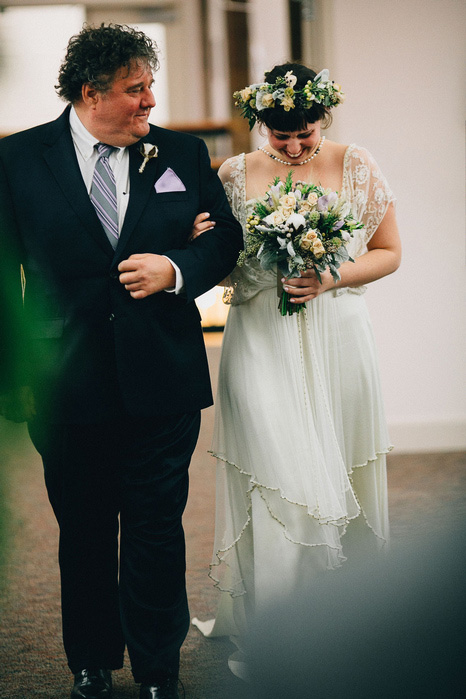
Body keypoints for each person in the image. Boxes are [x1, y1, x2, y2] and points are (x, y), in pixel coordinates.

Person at [0, 23, 242, 699]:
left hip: (162, 376)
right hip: (64, 380)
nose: (149, 101)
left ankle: (159, 668)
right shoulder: (18, 160)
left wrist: (174, 266)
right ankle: (91, 662)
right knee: (82, 528)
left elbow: (224, 237)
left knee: (157, 524)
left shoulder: (182, 155)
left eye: (150, 86)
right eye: (136, 90)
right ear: (90, 92)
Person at [191, 62, 401, 678]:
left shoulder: (356, 165)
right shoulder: (233, 174)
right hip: (259, 337)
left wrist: (330, 274)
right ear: (260, 123)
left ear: (324, 115)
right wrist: (206, 240)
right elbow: (224, 267)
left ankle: (350, 621)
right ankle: (281, 633)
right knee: (276, 470)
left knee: (339, 472)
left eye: (305, 132)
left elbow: (390, 252)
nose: (292, 145)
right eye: (279, 135)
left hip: (338, 337)